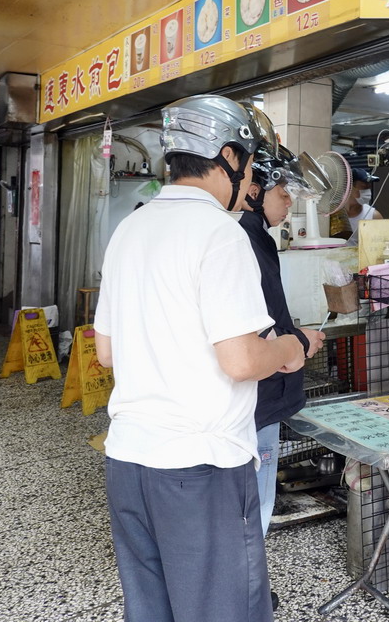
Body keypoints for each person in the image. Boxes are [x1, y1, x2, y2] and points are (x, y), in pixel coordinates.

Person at [94, 95, 305, 622]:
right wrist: (289, 348)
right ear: (230, 158)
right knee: (222, 608)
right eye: (252, 165)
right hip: (199, 464)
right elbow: (239, 360)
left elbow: (107, 350)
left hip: (129, 459)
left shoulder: (130, 228)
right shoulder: (219, 233)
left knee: (152, 607)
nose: (252, 179)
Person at [237, 142, 325, 609]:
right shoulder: (247, 239)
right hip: (261, 394)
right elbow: (264, 323)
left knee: (249, 496)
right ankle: (249, 595)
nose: (289, 201)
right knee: (255, 500)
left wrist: (294, 335)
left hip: (255, 392)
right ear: (252, 191)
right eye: (281, 192)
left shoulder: (252, 236)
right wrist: (300, 342)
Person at [331, 167, 381, 246]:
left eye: (369, 187)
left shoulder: (374, 216)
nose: (368, 191)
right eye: (364, 187)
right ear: (349, 188)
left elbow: (380, 245)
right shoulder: (332, 214)